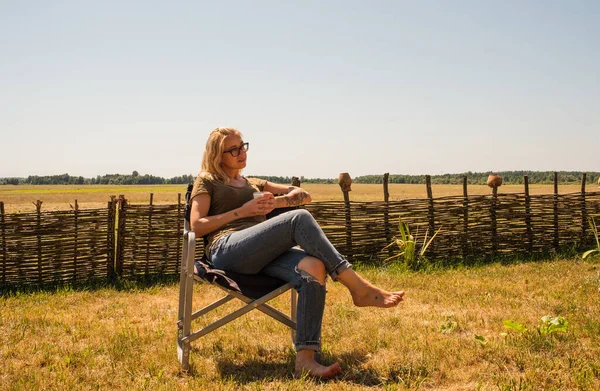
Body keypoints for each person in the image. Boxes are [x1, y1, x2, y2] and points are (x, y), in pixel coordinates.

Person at [189, 127, 405, 379]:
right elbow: (196, 225)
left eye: (243, 146)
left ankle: (305, 360)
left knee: (314, 265)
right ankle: (359, 288)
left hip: (260, 253)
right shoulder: (207, 180)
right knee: (298, 219)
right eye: (233, 149)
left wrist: (279, 201)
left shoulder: (254, 183)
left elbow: (303, 196)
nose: (241, 153)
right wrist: (243, 211)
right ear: (217, 154)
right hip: (227, 249)